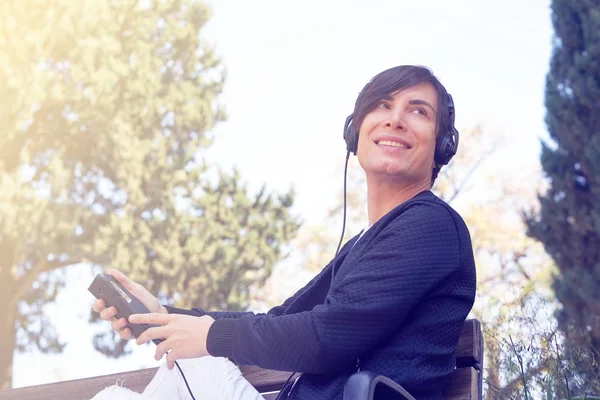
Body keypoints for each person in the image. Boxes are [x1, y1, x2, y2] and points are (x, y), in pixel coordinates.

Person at [92, 65, 477, 400]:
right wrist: (163, 315)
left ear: (442, 146)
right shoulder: (367, 242)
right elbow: (283, 318)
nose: (395, 119)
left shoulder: (432, 226)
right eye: (382, 105)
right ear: (354, 132)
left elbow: (326, 337)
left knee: (197, 367)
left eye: (418, 111)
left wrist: (209, 338)